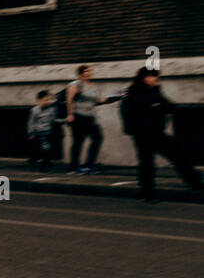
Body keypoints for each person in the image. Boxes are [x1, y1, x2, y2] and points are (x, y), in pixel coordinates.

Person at [121, 67, 202, 203]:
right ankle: (148, 193)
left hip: (157, 133)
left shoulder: (155, 92)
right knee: (147, 164)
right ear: (144, 78)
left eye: (156, 76)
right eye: (153, 77)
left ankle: (195, 183)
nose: (156, 79)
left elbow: (169, 106)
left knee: (178, 155)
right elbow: (131, 114)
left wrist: (183, 112)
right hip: (143, 135)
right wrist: (143, 124)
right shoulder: (133, 93)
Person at [63, 64, 119, 175]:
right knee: (78, 141)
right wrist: (70, 114)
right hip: (78, 116)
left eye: (90, 71)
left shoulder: (94, 86)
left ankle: (89, 165)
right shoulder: (76, 84)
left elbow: (97, 101)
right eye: (86, 71)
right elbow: (69, 100)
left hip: (90, 117)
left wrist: (113, 98)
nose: (89, 73)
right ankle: (74, 167)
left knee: (98, 138)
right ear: (80, 73)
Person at [27, 90, 56, 170]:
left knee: (47, 149)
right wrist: (31, 133)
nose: (48, 102)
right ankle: (35, 161)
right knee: (39, 149)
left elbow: (53, 120)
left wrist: (63, 120)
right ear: (39, 100)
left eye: (49, 100)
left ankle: (45, 163)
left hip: (48, 131)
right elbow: (31, 122)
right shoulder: (35, 110)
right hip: (38, 132)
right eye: (45, 100)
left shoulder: (51, 109)